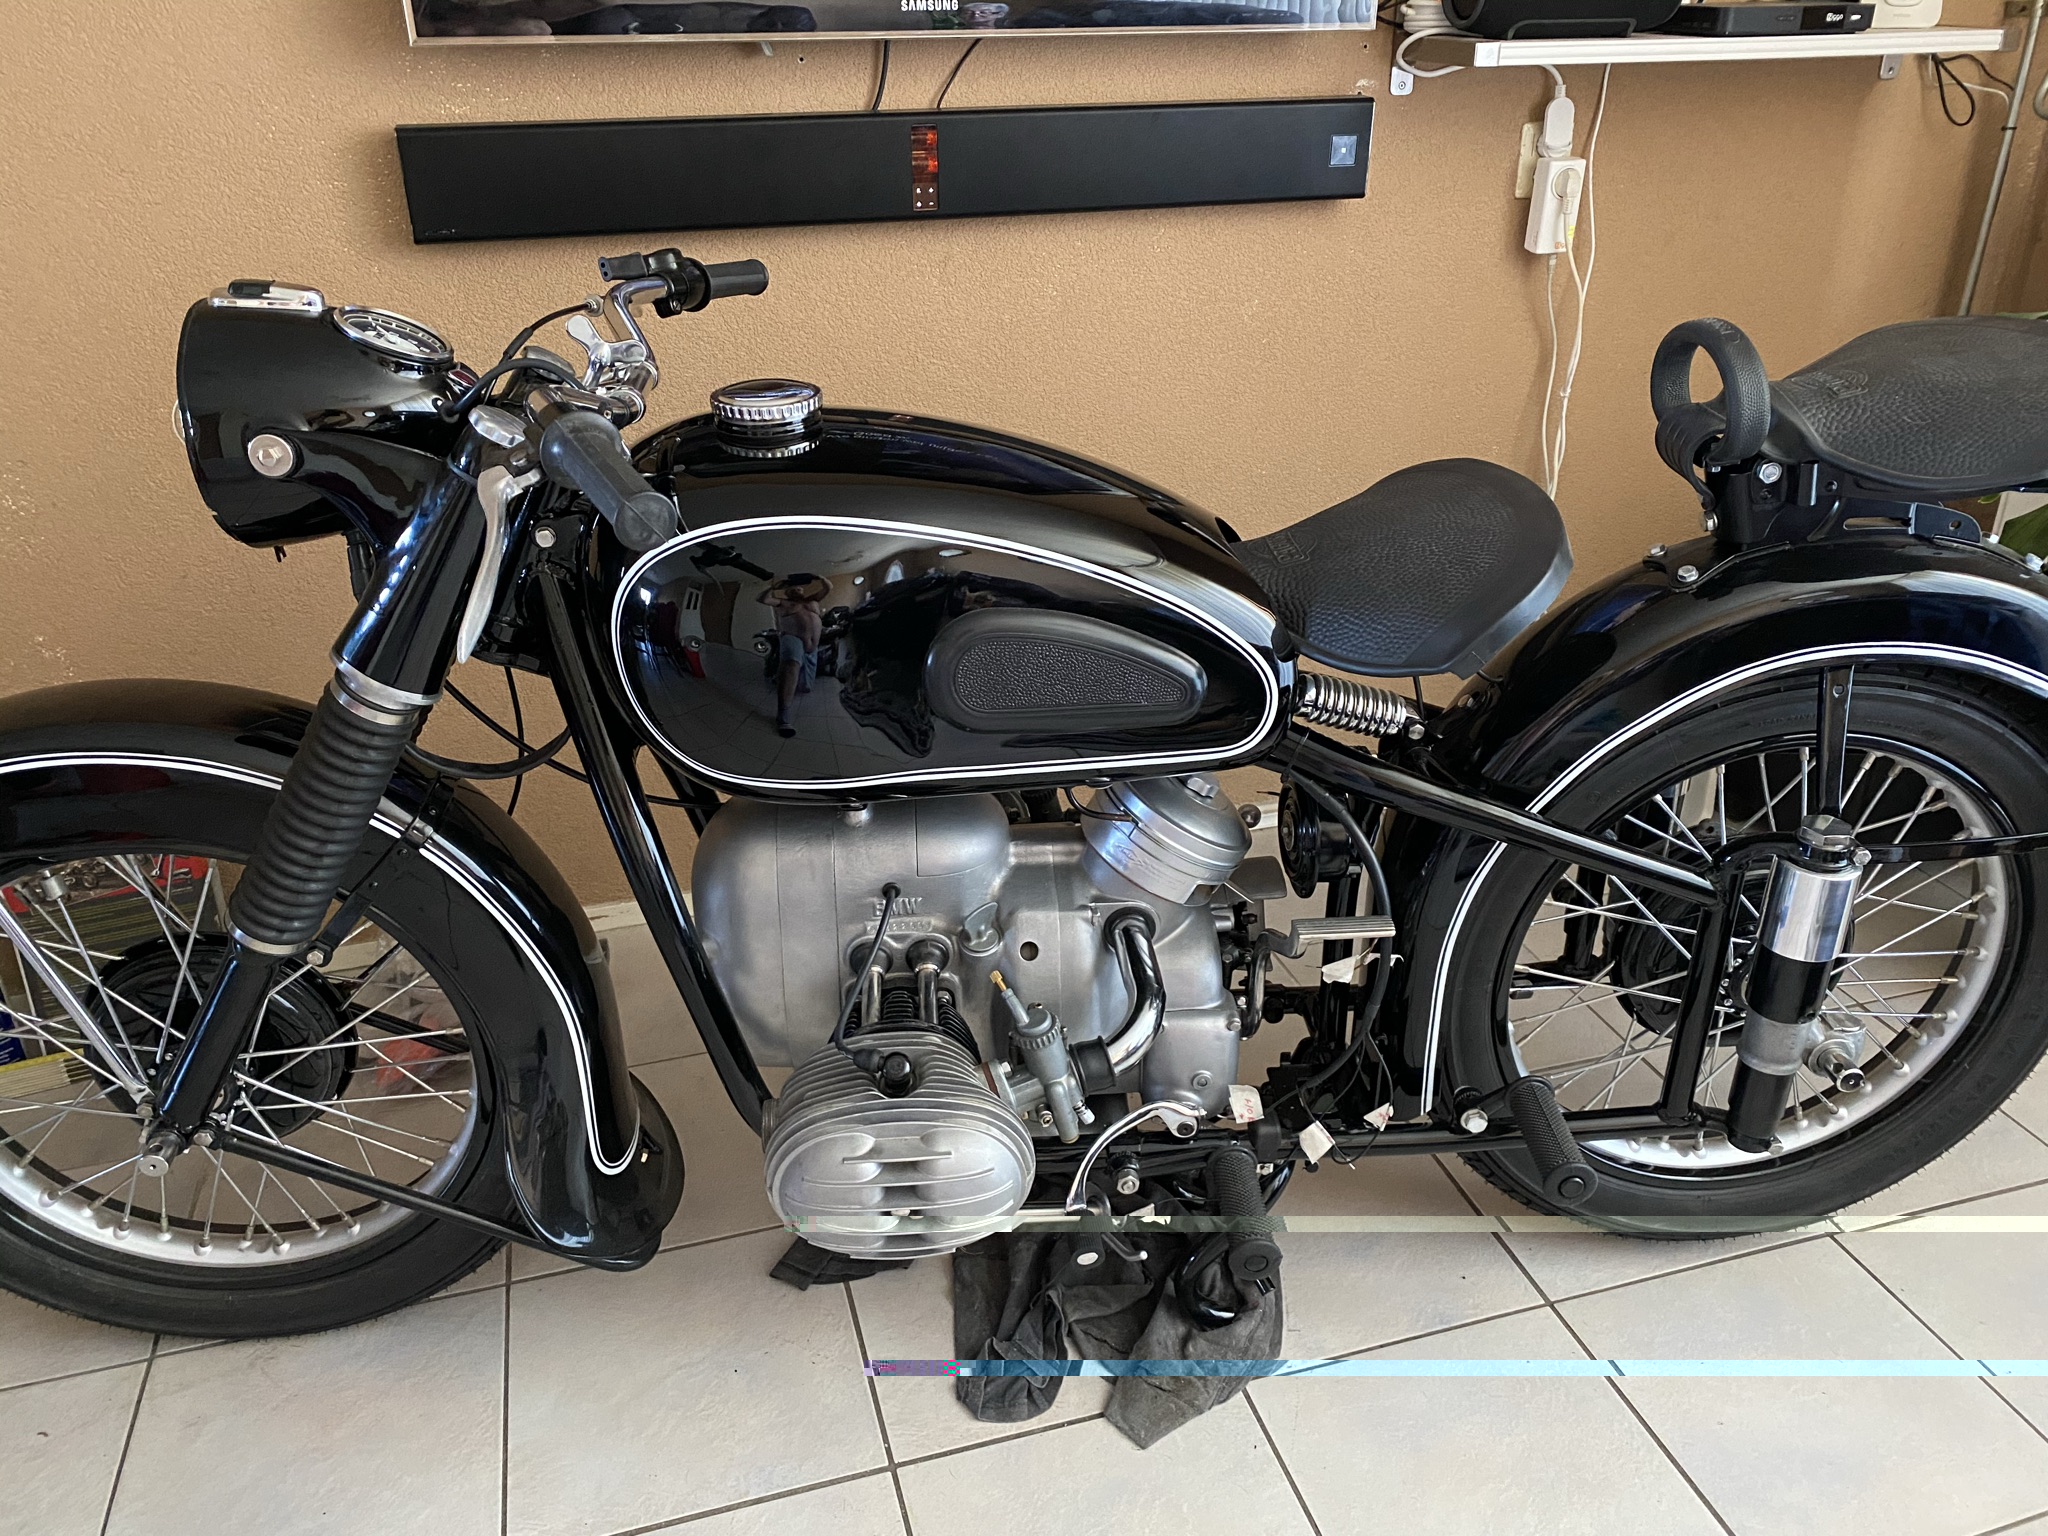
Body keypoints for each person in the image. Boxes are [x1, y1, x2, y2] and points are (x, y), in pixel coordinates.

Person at [762, 575, 827, 737]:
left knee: (805, 687)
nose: (797, 590)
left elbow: (828, 587)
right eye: (793, 589)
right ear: (787, 592)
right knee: (791, 665)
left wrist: (818, 577)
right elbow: (763, 599)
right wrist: (774, 587)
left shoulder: (813, 600)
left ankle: (780, 679)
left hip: (812, 646)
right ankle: (783, 716)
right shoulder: (784, 603)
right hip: (792, 638)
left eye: (799, 588)